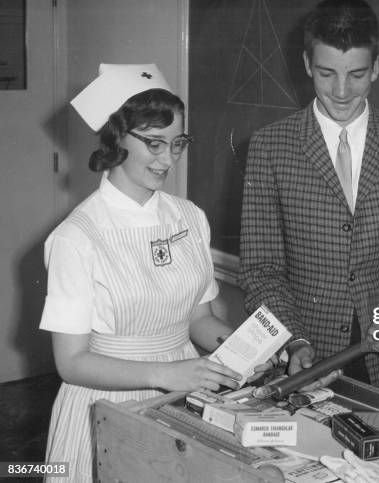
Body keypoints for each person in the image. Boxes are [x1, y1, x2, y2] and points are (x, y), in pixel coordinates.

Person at [40, 64, 266, 481]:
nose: (169, 159)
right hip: (104, 404)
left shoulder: (188, 216)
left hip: (180, 394)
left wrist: (246, 351)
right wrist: (162, 374)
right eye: (154, 144)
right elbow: (71, 363)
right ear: (115, 138)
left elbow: (198, 320)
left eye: (177, 143)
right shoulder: (77, 237)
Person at [239, 0, 379, 388]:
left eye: (357, 74)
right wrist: (295, 340)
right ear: (307, 65)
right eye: (327, 74)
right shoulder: (269, 147)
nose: (342, 91)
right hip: (304, 359)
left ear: (376, 67)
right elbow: (260, 268)